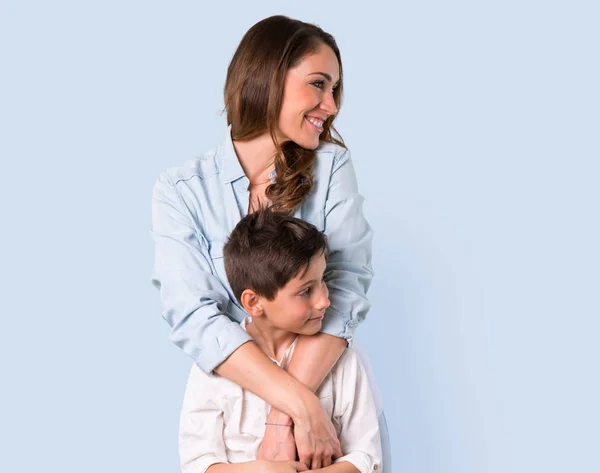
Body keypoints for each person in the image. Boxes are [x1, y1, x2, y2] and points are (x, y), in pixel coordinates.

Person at [151, 15, 390, 470]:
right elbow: (194, 317)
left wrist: (287, 418)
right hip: (239, 441)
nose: (332, 106)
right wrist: (297, 406)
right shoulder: (180, 190)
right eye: (318, 85)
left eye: (335, 90)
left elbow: (345, 291)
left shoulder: (331, 166)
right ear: (270, 78)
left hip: (327, 433)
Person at [179, 210, 382, 473]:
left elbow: (367, 458)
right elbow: (197, 464)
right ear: (254, 302)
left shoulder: (343, 358)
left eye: (323, 281)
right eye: (305, 291)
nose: (324, 300)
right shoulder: (212, 367)